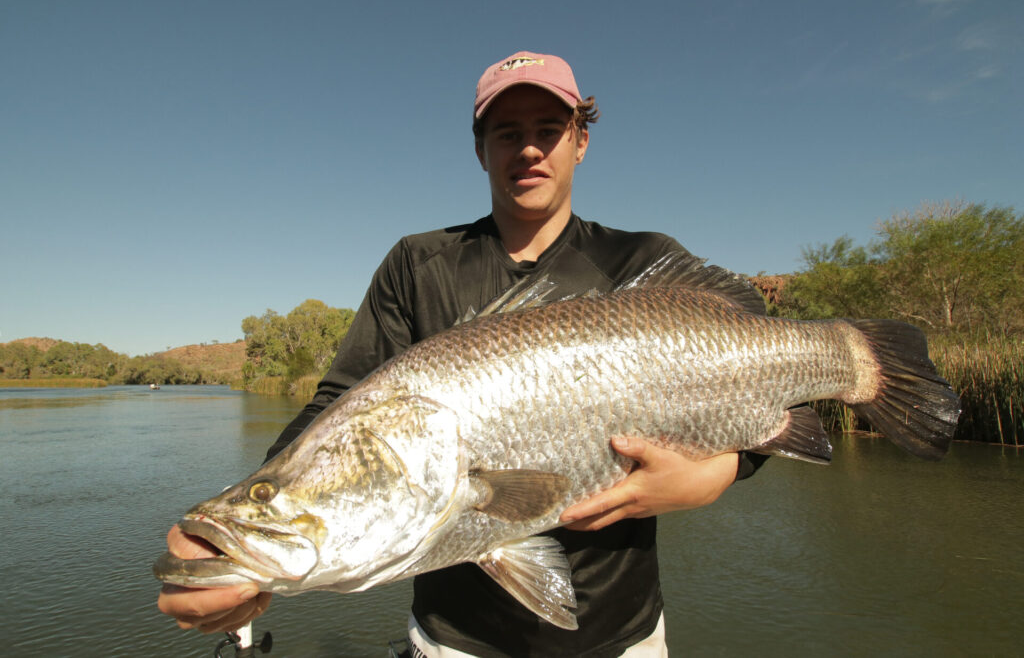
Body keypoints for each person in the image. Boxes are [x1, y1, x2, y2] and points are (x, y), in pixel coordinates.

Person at [157, 51, 766, 656]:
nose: (528, 149)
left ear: (580, 141)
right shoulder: (416, 267)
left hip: (624, 635)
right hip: (456, 642)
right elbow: (337, 403)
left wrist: (718, 473)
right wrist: (238, 524)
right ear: (480, 150)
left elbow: (767, 380)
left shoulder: (643, 267)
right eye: (507, 133)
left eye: (548, 131)